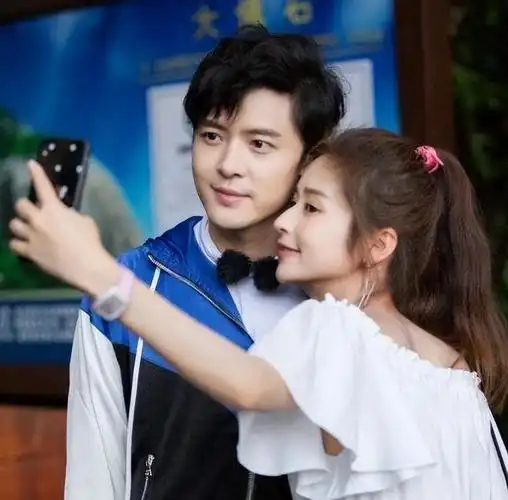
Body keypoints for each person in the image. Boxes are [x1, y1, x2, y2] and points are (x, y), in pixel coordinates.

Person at [10, 128, 508, 499]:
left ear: (379, 244)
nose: (285, 222)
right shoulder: (453, 368)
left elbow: (248, 386)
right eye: (294, 201)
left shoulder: (338, 329)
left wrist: (102, 276)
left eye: (311, 208)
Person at [42, 24, 345, 500]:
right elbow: (92, 478)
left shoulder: (338, 293)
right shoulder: (131, 282)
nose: (228, 164)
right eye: (212, 135)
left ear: (310, 157)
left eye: (259, 144)